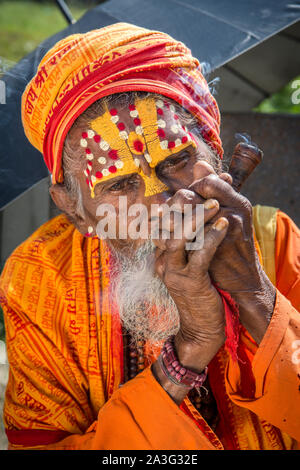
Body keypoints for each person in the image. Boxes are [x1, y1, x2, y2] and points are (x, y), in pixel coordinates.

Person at [0, 23, 299, 450]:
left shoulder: (274, 239)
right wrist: (189, 353)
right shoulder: (40, 277)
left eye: (177, 158)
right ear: (74, 207)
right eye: (120, 185)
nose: (161, 204)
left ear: (213, 151)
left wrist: (255, 292)